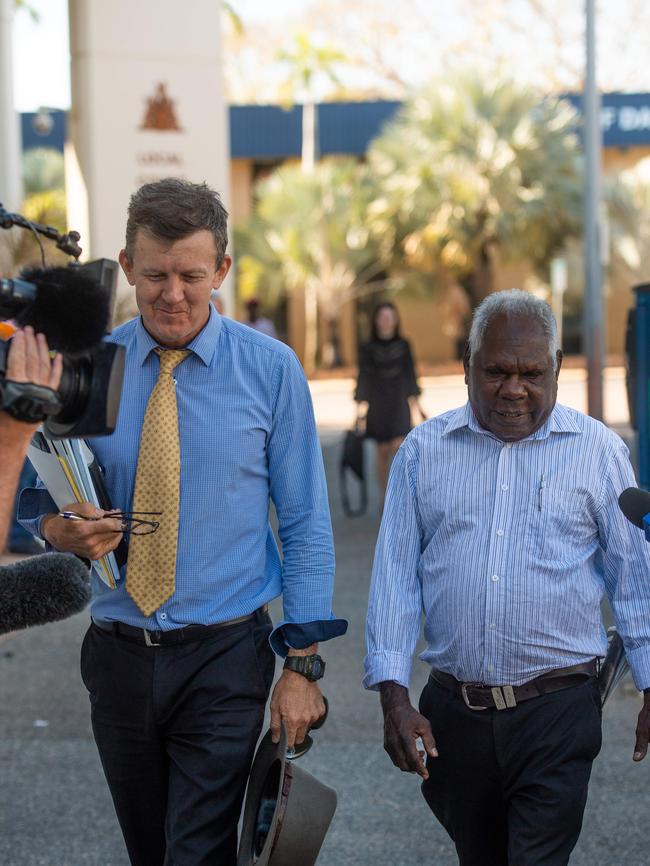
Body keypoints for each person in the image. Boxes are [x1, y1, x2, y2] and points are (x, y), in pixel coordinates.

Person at [19, 178, 346, 866]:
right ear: (127, 265)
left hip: (226, 660)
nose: (173, 294)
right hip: (116, 655)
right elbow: (28, 494)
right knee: (152, 851)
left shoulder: (271, 371)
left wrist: (303, 665)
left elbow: (307, 523)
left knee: (193, 852)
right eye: (157, 275)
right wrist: (57, 533)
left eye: (192, 276)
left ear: (222, 270)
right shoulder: (82, 368)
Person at [364, 289, 650, 866]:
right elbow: (395, 576)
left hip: (558, 711)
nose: (514, 389)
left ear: (556, 370)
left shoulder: (596, 452)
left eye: (530, 373)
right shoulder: (423, 452)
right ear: (468, 364)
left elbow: (633, 580)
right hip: (452, 717)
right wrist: (393, 697)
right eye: (496, 371)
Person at [354, 302, 426, 499]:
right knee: (382, 451)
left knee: (399, 448)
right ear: (376, 321)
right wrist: (359, 410)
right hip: (377, 403)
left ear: (395, 321)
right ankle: (385, 499)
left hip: (399, 401)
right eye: (382, 317)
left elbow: (411, 376)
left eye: (390, 317)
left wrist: (418, 407)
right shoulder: (367, 348)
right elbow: (363, 377)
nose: (386, 321)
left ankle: (400, 497)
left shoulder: (404, 345)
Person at [0, 327, 61, 552]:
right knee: (21, 474)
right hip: (18, 410)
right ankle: (17, 536)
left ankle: (16, 535)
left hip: (22, 410)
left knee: (25, 474)